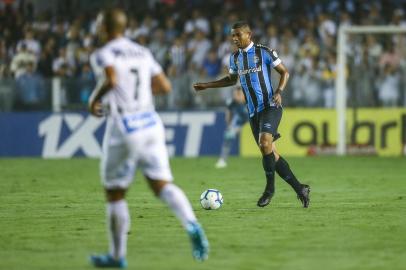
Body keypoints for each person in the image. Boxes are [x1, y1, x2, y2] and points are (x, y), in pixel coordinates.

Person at [88, 9, 209, 268]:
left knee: (115, 193)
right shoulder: (142, 52)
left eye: (99, 24)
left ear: (104, 28)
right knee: (162, 184)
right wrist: (139, 93)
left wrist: (94, 98)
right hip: (151, 123)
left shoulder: (103, 53)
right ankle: (192, 224)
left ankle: (117, 257)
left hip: (124, 125)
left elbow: (111, 78)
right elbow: (165, 86)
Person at [194, 21, 310, 208]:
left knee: (265, 144)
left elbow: (284, 72)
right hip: (253, 112)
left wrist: (279, 91)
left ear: (249, 34)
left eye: (238, 35)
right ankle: (300, 189)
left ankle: (269, 190)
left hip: (270, 106)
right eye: (232, 35)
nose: (234, 39)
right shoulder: (234, 58)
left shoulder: (264, 52)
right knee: (270, 152)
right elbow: (231, 80)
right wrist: (207, 85)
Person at [215, 85, 249, 168]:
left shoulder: (250, 101)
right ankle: (223, 159)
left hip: (252, 122)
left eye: (239, 94)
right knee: (228, 137)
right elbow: (228, 114)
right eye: (235, 94)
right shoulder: (232, 102)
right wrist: (229, 125)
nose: (236, 96)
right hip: (239, 122)